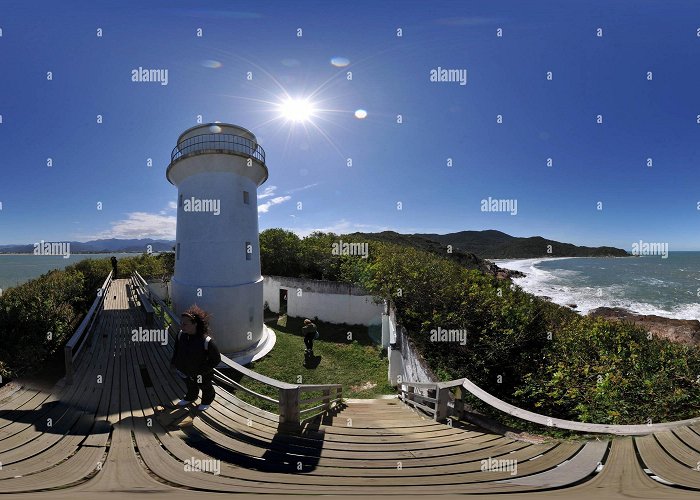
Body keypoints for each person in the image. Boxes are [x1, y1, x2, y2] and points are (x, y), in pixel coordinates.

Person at [170, 305, 221, 411]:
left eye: (185, 324)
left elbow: (216, 360)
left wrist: (202, 371)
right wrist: (174, 362)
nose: (181, 326)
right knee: (190, 385)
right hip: (184, 370)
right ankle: (191, 397)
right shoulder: (181, 335)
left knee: (205, 387)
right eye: (181, 323)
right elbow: (176, 349)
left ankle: (207, 401)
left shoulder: (207, 341)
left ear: (195, 324)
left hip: (201, 374)